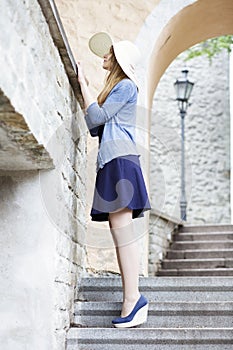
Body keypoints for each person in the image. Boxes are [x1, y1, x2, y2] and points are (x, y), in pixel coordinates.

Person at [77, 32, 151, 328]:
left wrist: (82, 85)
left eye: (109, 53)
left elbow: (99, 117)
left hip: (121, 162)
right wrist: (88, 94)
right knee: (118, 231)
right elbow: (96, 127)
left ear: (118, 60)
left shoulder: (125, 85)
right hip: (113, 161)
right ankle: (131, 299)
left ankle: (133, 299)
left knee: (122, 233)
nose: (104, 56)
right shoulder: (116, 88)